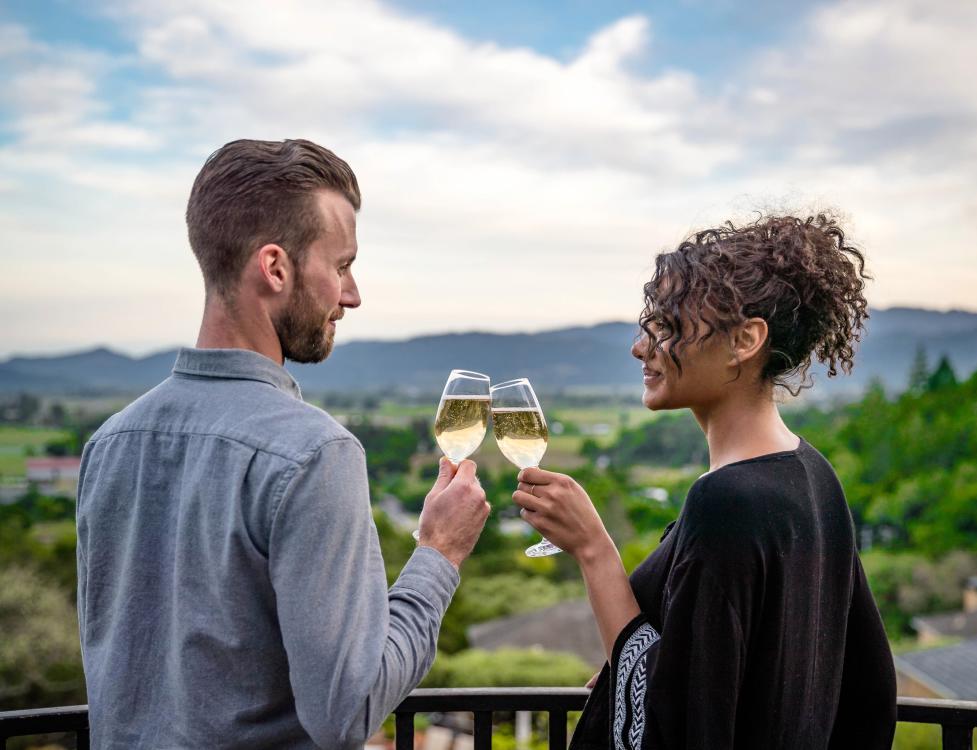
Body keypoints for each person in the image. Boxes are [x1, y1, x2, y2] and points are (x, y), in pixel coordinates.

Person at [75, 139, 490, 749]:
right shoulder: (315, 453)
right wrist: (439, 554)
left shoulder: (110, 443)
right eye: (341, 266)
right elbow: (346, 712)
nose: (351, 295)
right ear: (275, 268)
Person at [513, 215, 897, 749]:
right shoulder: (814, 475)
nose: (640, 348)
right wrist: (632, 670)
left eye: (667, 327)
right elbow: (867, 694)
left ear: (744, 339)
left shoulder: (726, 502)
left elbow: (675, 729)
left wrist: (593, 549)